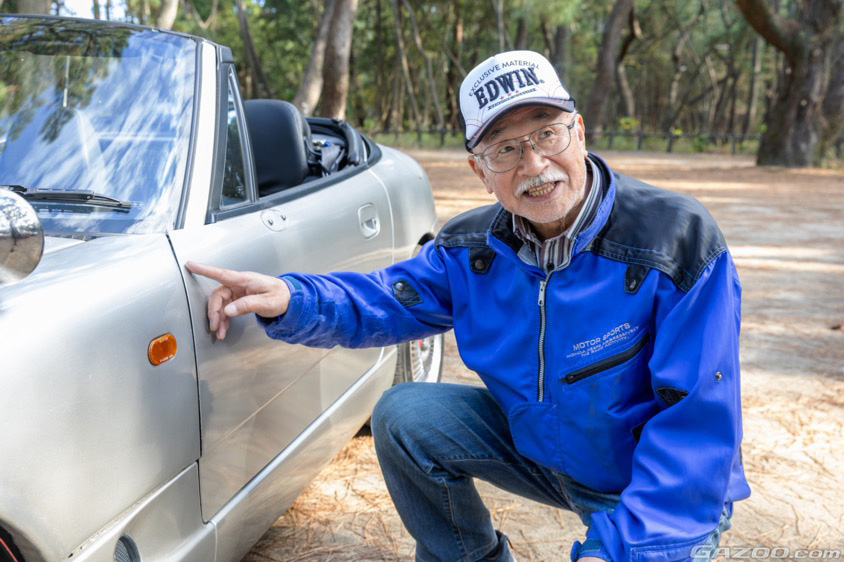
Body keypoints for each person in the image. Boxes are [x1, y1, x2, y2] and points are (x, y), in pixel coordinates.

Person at [186, 50, 750, 562]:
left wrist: (619, 548)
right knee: (406, 416)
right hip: (544, 454)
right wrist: (292, 297)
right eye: (505, 148)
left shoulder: (677, 240)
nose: (533, 165)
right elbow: (386, 297)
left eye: (547, 134)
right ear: (481, 172)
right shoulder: (471, 249)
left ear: (579, 132)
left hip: (655, 487)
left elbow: (695, 424)